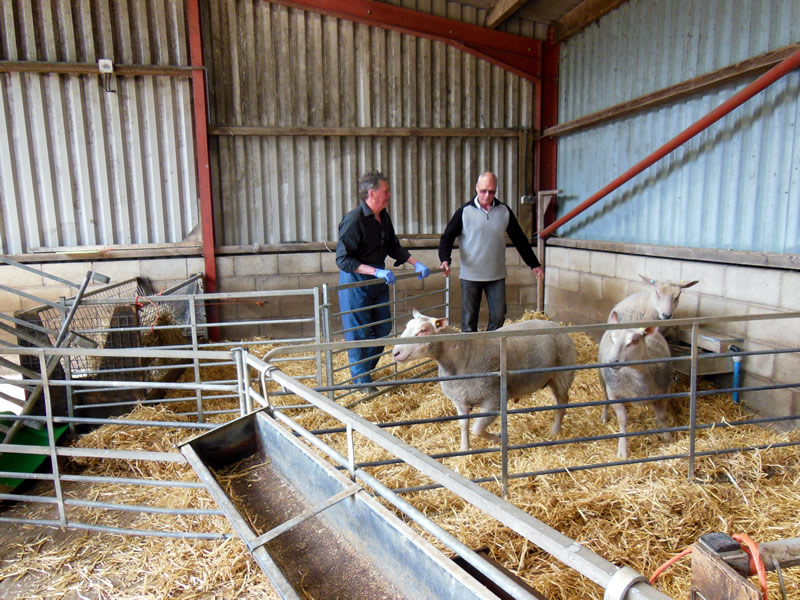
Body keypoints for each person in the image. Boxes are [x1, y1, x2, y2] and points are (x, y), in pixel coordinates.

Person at [336, 172, 430, 391]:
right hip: (356, 283)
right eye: (385, 191)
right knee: (359, 333)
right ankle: (362, 381)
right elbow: (343, 259)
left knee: (382, 328)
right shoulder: (354, 220)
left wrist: (415, 263)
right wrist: (375, 271)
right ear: (372, 193)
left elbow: (392, 246)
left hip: (378, 282)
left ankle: (363, 372)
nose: (389, 195)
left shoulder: (383, 217)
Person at [438, 171, 544, 332]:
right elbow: (447, 237)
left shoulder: (504, 211)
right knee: (469, 320)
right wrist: (445, 259)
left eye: (492, 191)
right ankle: (471, 347)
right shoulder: (464, 212)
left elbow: (520, 239)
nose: (487, 195)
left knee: (499, 316)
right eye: (483, 191)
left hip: (496, 276)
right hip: (470, 276)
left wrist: (534, 264)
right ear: (476, 188)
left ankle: (491, 345)